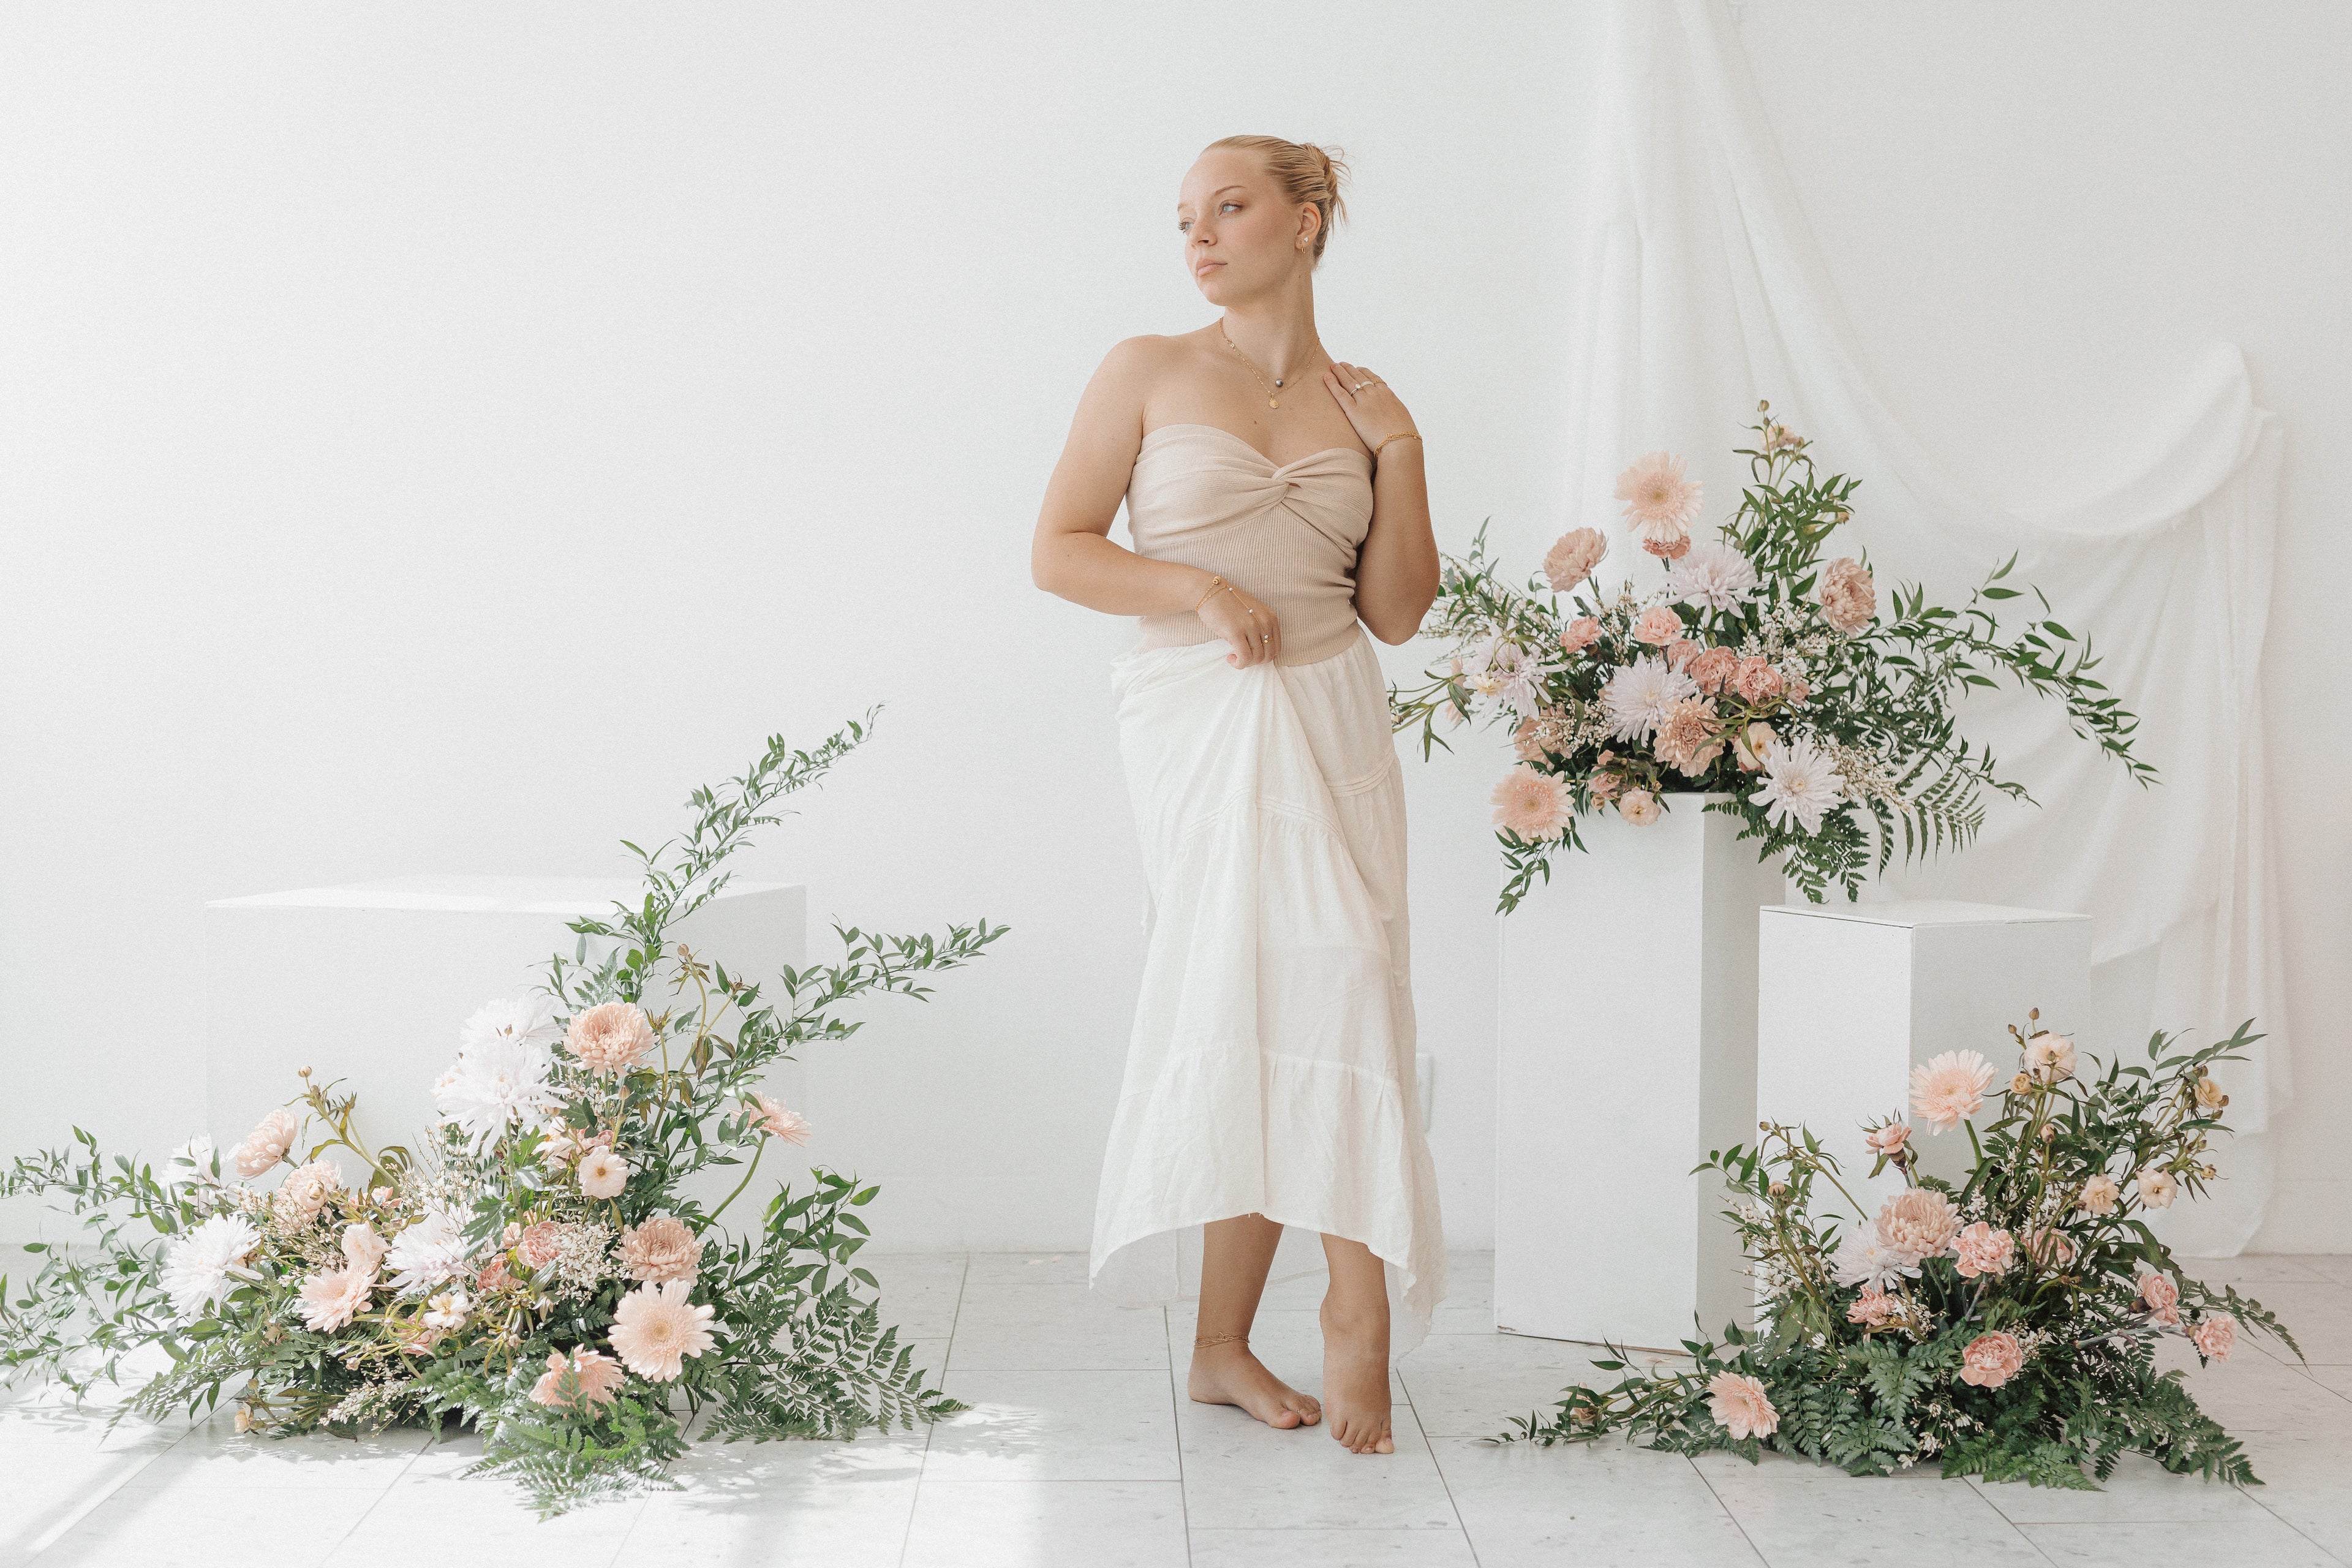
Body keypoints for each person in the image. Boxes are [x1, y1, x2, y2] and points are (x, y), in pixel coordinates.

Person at [1030, 135, 1446, 1456]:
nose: (1200, 236)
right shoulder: (1147, 369)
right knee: (1269, 979)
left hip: (1332, 711)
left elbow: (1395, 612)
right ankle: (1352, 1310)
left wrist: (1404, 451)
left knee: (1321, 981)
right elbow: (1059, 550)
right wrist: (1200, 587)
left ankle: (1225, 1344)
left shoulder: (1362, 400)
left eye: (1231, 207)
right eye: (1186, 218)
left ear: (1308, 221)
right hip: (1203, 716)